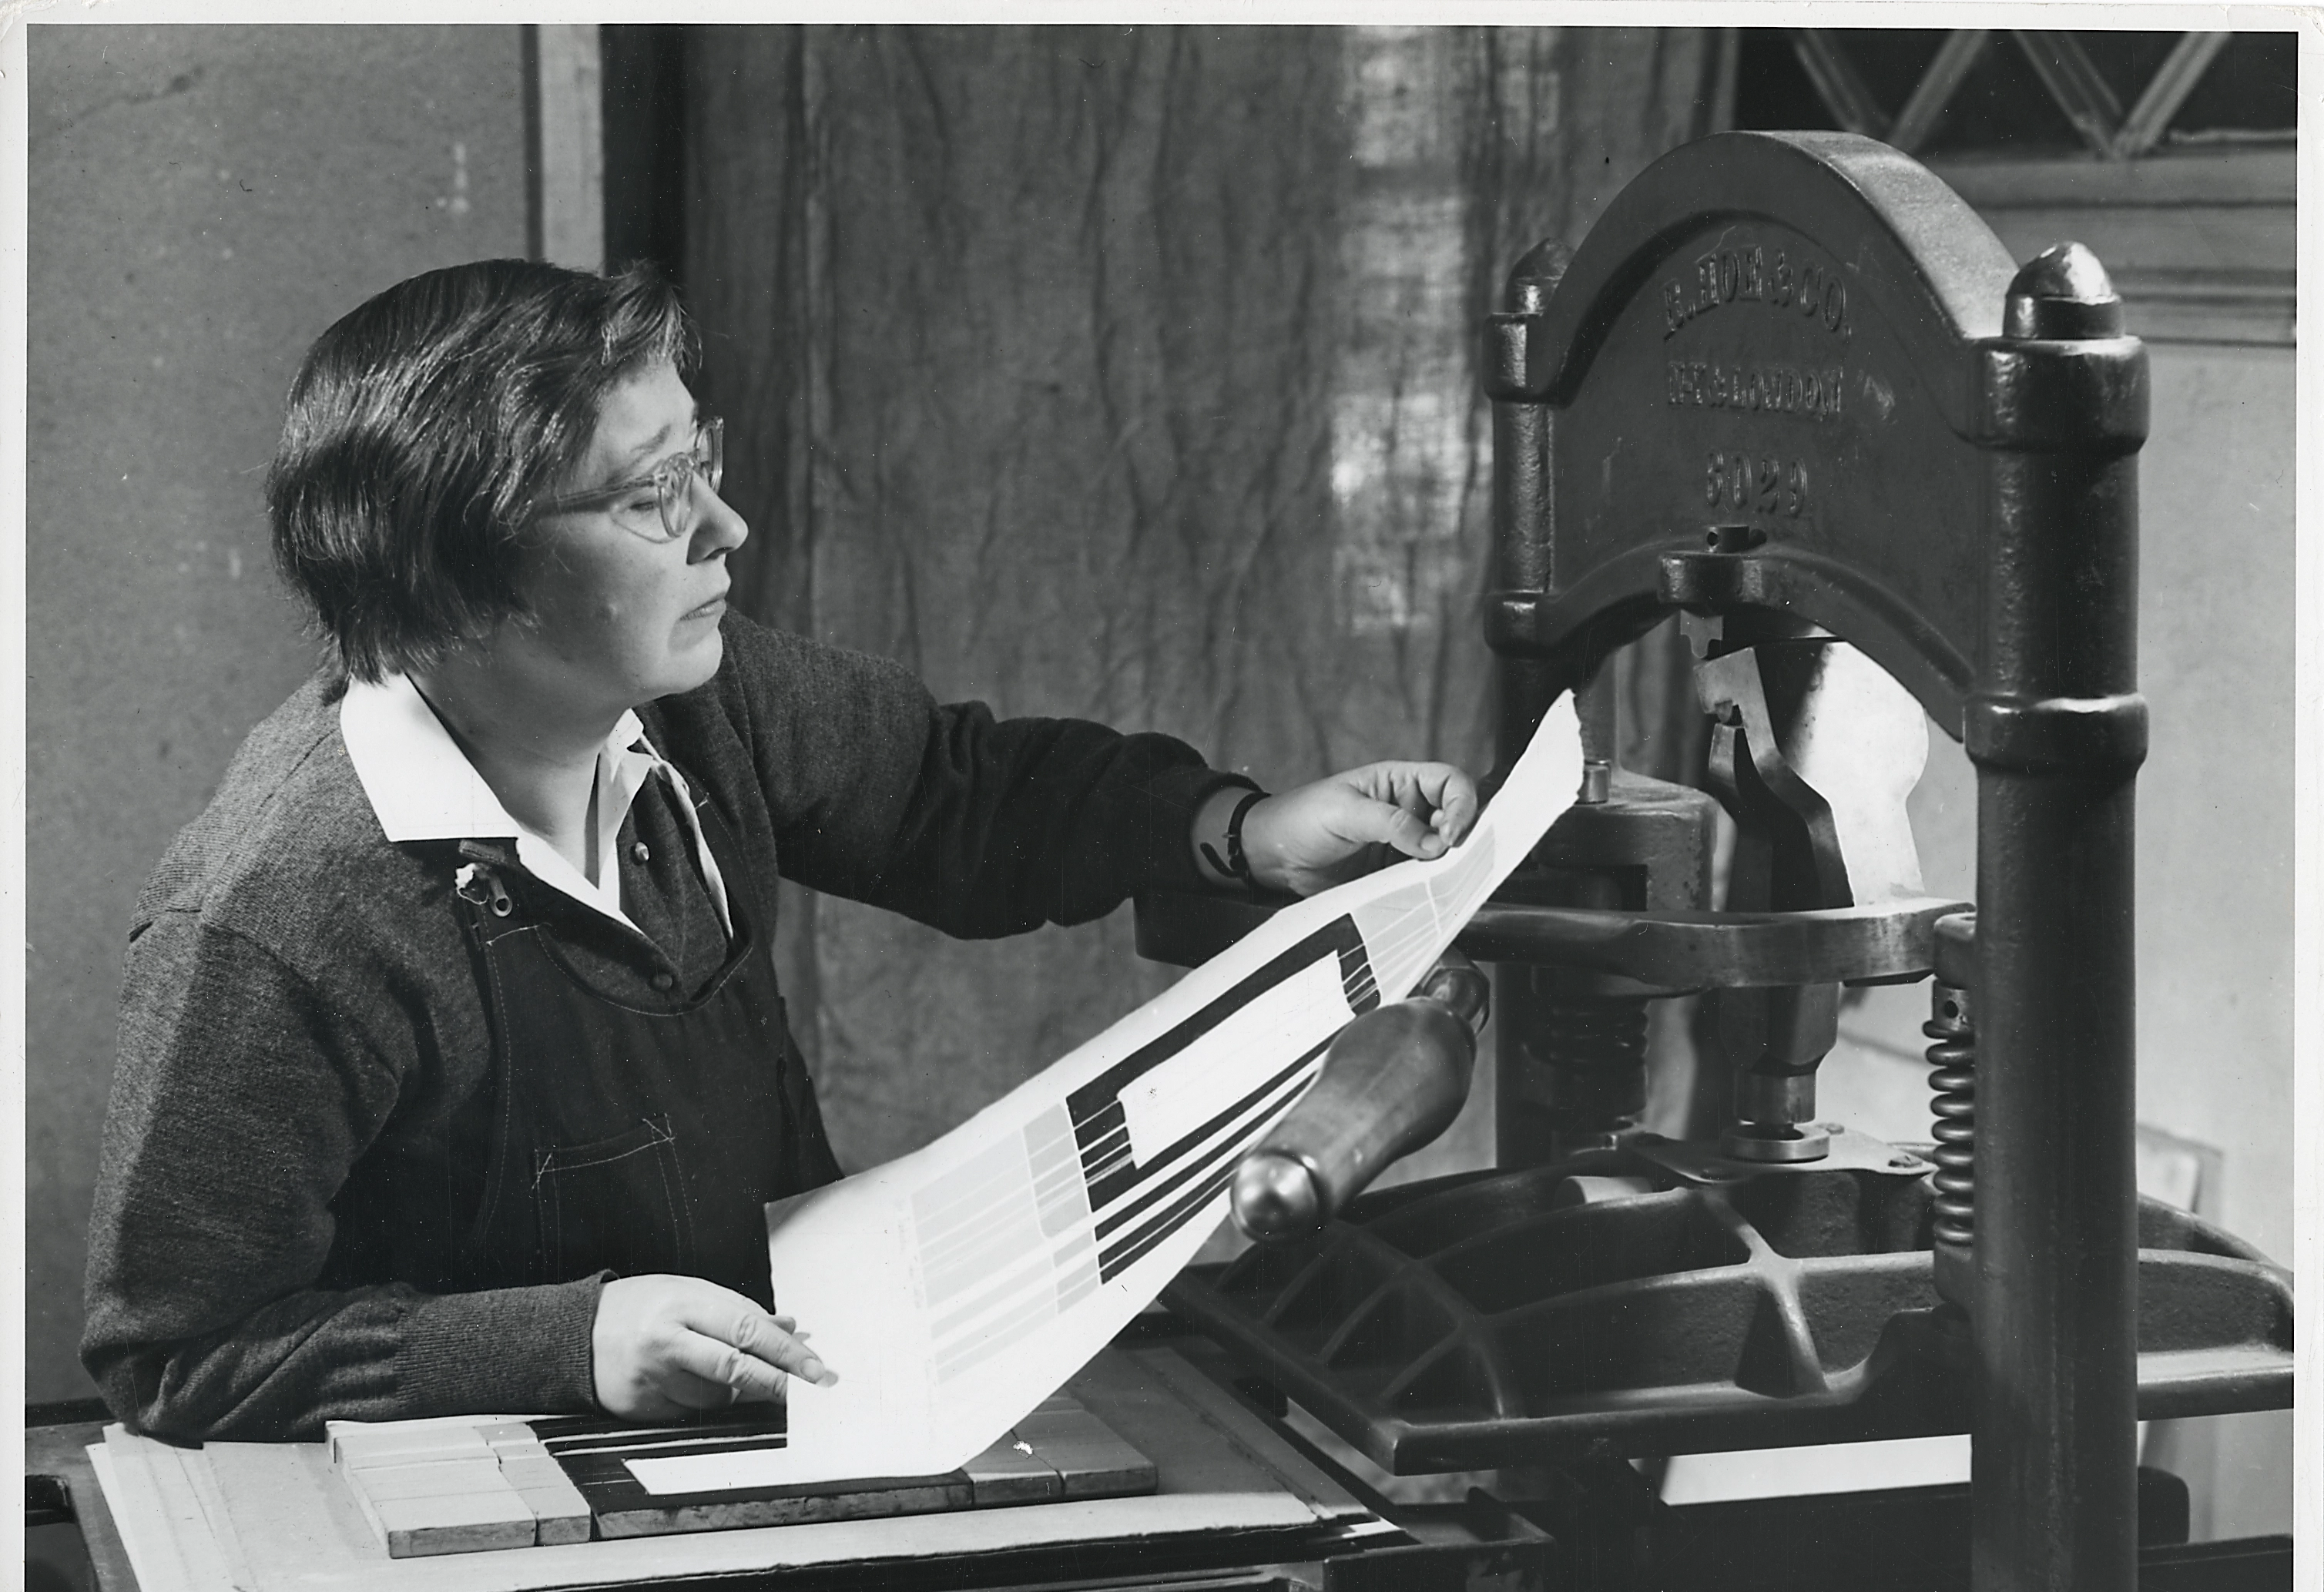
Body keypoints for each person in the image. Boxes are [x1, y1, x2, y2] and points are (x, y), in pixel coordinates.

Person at [79, 260, 1479, 1444]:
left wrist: (1236, 833)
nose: (726, 526)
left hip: (778, 1433)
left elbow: (957, 795)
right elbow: (175, 1354)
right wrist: (563, 1345)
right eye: (651, 496)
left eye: (705, 460)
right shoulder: (279, 917)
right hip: (495, 1576)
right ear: (463, 576)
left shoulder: (699, 701)